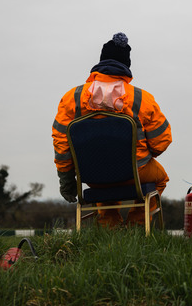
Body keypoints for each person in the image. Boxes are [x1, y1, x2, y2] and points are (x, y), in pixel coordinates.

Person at [52, 32, 172, 227]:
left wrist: (67, 183)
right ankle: (137, 225)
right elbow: (162, 142)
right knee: (161, 179)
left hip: (92, 177)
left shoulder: (71, 98)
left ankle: (110, 227)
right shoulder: (142, 99)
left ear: (100, 62)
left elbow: (61, 147)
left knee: (102, 173)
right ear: (126, 66)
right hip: (135, 173)